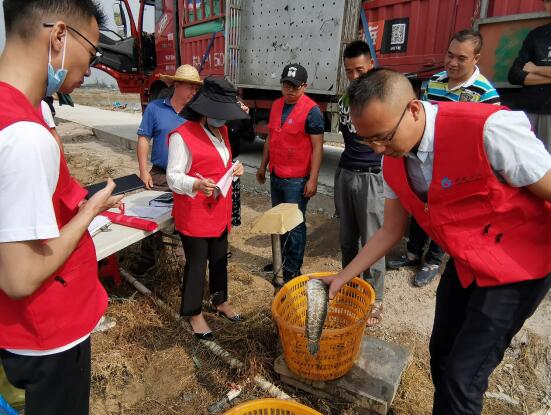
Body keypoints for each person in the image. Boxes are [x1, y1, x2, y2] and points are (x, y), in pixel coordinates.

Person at [324, 68, 551, 415]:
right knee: (441, 352)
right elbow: (390, 230)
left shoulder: (488, 129)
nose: (379, 148)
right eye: (368, 140)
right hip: (466, 261)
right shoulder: (392, 161)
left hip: (516, 268)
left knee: (464, 378)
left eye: (384, 137)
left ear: (414, 109)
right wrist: (343, 277)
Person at [0, 1, 123, 414]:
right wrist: (88, 212)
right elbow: (19, 276)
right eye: (92, 52)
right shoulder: (25, 137)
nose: (91, 68)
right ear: (58, 36)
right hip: (45, 338)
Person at [389, 29, 501, 287]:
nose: (452, 62)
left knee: (445, 214)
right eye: (449, 55)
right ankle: (413, 254)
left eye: (461, 58)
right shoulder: (434, 81)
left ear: (476, 58)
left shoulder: (486, 94)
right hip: (427, 162)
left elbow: (488, 138)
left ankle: (433, 261)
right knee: (421, 207)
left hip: (457, 169)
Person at [167, 77, 248, 340]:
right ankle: (194, 313)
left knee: (219, 258)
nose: (223, 119)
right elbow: (173, 177)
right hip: (195, 213)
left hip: (219, 210)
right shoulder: (181, 136)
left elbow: (221, 163)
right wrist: (196, 184)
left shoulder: (222, 131)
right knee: (197, 263)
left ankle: (220, 300)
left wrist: (235, 169)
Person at [256, 63, 324, 283]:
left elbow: (318, 147)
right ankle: (282, 261)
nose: (290, 90)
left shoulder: (312, 111)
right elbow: (271, 138)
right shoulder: (276, 105)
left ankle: (292, 269)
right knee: (280, 221)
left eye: (295, 86)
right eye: (286, 85)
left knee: (295, 224)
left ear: (305, 86)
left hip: (297, 179)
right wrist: (263, 166)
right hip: (277, 174)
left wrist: (313, 179)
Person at [132, 64, 202, 277]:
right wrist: (143, 170)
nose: (193, 92)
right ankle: (148, 260)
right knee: (150, 217)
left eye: (196, 88)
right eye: (190, 87)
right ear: (176, 85)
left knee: (185, 221)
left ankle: (182, 263)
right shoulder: (155, 109)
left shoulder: (197, 114)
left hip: (186, 177)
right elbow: (144, 138)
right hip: (160, 175)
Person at [335, 40, 385, 325]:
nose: (354, 77)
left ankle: (375, 298)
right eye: (349, 71)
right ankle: (349, 286)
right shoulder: (345, 99)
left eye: (360, 70)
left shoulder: (381, 100)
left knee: (373, 240)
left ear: (371, 67)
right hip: (345, 173)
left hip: (371, 176)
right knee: (347, 239)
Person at [508, 0, 551, 152]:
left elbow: (526, 70)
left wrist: (535, 69)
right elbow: (514, 75)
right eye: (547, 1)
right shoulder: (536, 35)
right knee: (523, 160)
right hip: (528, 111)